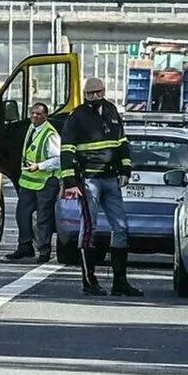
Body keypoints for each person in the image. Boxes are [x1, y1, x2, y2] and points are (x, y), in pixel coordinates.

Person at [61, 77, 144, 297]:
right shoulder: (76, 117)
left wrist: (126, 170)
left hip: (111, 178)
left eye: (98, 93)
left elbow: (122, 142)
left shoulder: (111, 110)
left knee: (121, 228)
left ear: (103, 92)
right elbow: (67, 150)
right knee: (89, 229)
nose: (95, 97)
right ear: (85, 95)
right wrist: (70, 182)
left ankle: (120, 283)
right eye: (91, 94)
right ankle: (90, 281)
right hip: (88, 179)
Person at [6, 101, 61, 264]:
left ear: (45, 116)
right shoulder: (31, 128)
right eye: (33, 113)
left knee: (43, 218)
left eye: (39, 114)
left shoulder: (50, 134)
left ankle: (44, 251)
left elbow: (58, 160)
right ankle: (25, 246)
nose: (35, 117)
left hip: (46, 182)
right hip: (28, 182)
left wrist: (39, 166)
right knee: (22, 214)